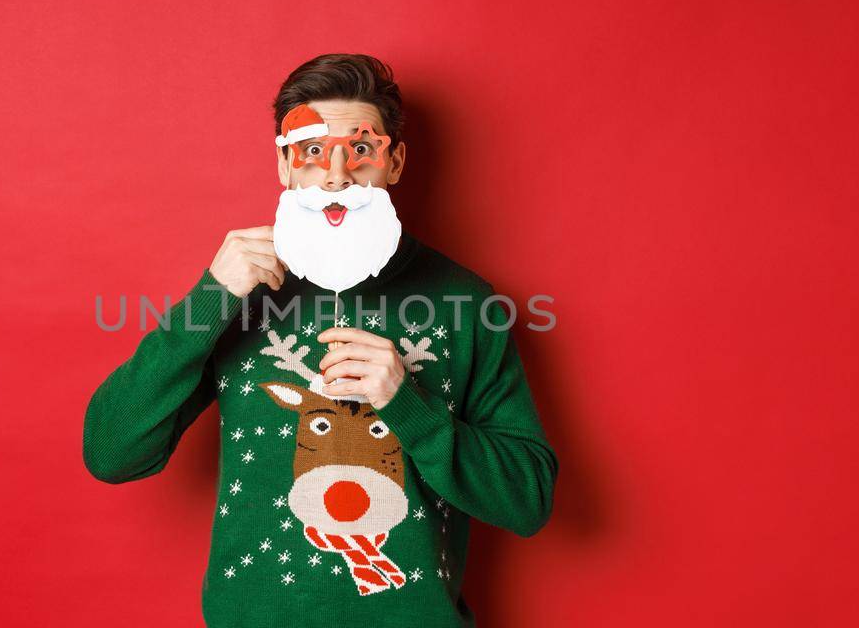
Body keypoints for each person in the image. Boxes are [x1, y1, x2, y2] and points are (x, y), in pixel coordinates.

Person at [83, 53, 558, 627]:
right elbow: (111, 455)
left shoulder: (467, 303)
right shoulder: (240, 292)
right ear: (285, 166)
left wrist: (409, 405)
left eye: (361, 150)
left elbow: (527, 502)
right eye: (311, 151)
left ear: (396, 162)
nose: (336, 175)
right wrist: (208, 300)